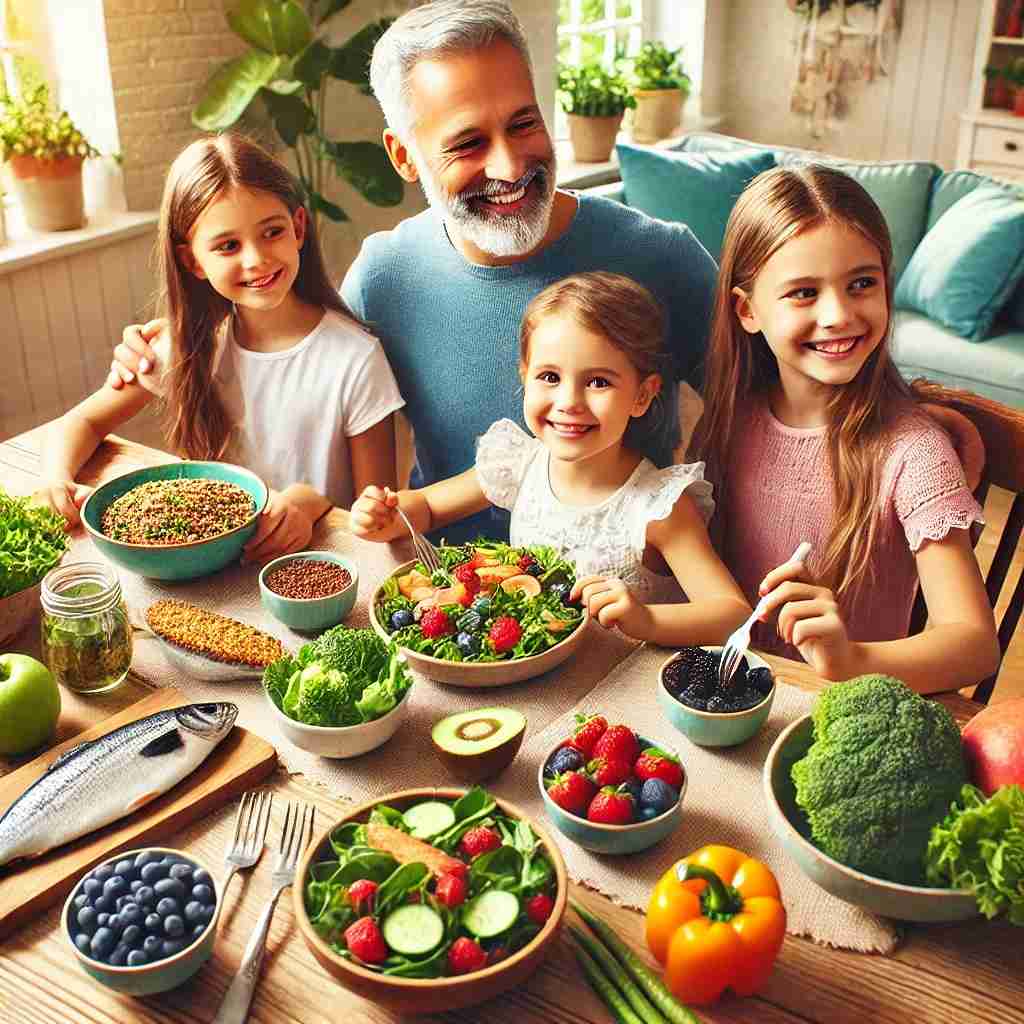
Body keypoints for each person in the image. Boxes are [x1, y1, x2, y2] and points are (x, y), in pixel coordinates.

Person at [106, 0, 718, 543]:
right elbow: (294, 359)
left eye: (524, 123)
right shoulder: (383, 276)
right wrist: (177, 330)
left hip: (619, 603)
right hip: (442, 598)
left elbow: (772, 408)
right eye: (467, 143)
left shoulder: (661, 257)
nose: (508, 164)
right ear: (403, 156)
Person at [692, 164, 1000, 693]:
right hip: (728, 705)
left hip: (834, 715)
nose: (838, 314)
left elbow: (973, 643)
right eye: (804, 292)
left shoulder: (914, 453)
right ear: (747, 310)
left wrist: (849, 657)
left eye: (861, 283)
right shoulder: (727, 418)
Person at [43, 133, 403, 562]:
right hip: (203, 567)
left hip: (313, 568)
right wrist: (56, 477)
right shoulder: (185, 347)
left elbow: (379, 519)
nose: (256, 259)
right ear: (193, 261)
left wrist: (309, 503)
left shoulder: (355, 360)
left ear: (299, 228)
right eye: (228, 245)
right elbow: (81, 422)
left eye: (272, 232)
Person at [351, 272, 750, 646]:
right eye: (550, 377)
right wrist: (386, 514)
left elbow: (732, 614)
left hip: (623, 687)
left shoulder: (658, 507)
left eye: (598, 382)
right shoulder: (517, 463)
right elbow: (425, 508)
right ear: (524, 375)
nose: (569, 403)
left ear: (642, 395)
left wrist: (646, 620)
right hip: (535, 676)